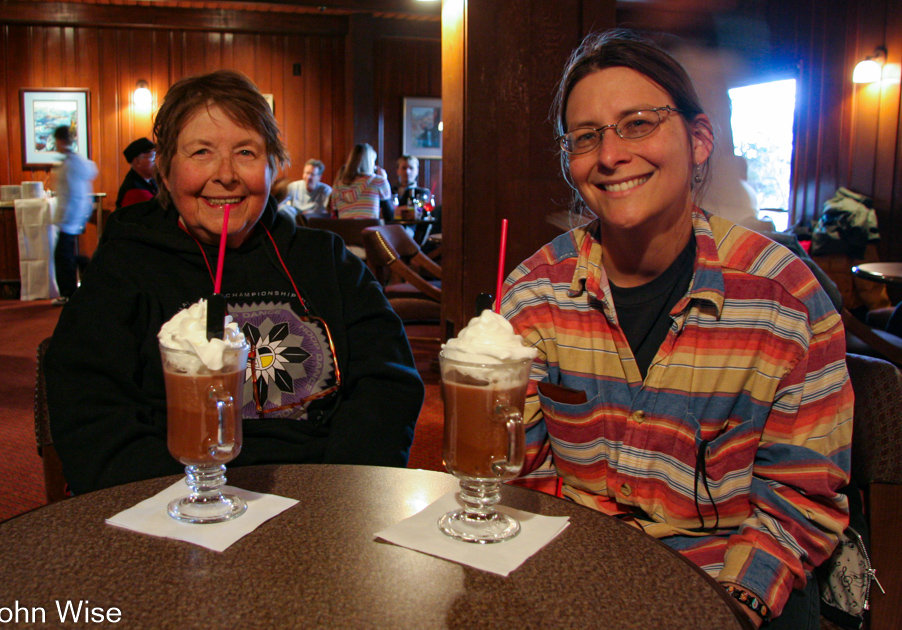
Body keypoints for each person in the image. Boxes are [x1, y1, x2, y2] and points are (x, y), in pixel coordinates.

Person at [501, 30, 852, 629]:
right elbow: (524, 479)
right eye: (585, 137)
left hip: (727, 581)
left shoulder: (784, 298)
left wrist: (726, 611)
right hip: (577, 574)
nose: (609, 154)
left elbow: (798, 498)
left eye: (637, 123)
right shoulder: (534, 294)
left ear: (698, 139)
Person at [44, 70, 424, 495]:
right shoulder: (124, 265)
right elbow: (87, 409)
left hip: (323, 494)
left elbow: (388, 385)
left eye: (246, 152)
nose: (225, 174)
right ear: (166, 173)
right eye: (201, 152)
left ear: (273, 167)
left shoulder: (325, 260)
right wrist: (179, 506)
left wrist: (338, 493)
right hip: (174, 505)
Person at [51, 125, 98, 306]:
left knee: (63, 256)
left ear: (61, 141)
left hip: (69, 217)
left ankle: (69, 292)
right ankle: (81, 273)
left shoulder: (71, 165)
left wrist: (65, 218)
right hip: (73, 215)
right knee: (66, 254)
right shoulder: (75, 162)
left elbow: (72, 193)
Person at [331, 143, 391, 220]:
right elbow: (389, 215)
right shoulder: (378, 181)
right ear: (370, 161)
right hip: (370, 230)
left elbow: (336, 212)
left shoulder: (338, 185)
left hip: (345, 230)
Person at [115, 137, 158, 209]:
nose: (157, 163)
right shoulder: (134, 191)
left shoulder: (150, 182)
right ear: (138, 162)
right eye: (153, 158)